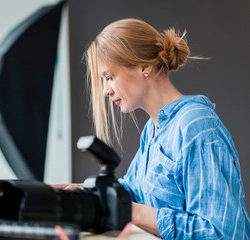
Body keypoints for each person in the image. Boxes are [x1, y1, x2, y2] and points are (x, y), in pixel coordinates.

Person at [63, 18, 250, 239]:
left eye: (109, 77)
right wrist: (77, 194)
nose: (105, 90)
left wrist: (132, 212)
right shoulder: (152, 132)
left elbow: (224, 233)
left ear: (144, 67)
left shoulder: (196, 126)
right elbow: (133, 193)